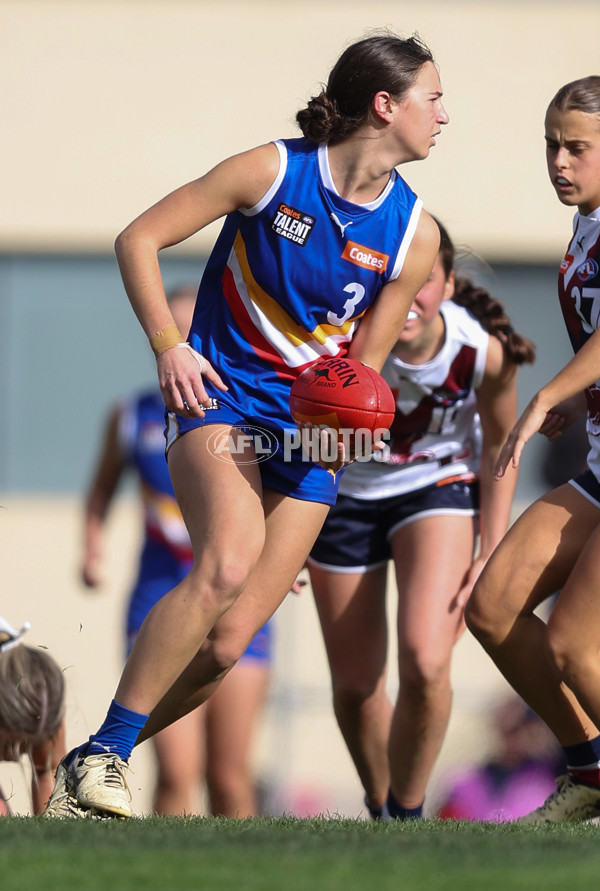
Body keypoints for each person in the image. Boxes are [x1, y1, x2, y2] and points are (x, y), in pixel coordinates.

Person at [44, 31, 449, 819]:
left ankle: (95, 758)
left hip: (307, 437)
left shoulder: (413, 232)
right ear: (385, 105)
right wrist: (170, 347)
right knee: (227, 561)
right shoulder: (272, 170)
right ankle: (104, 759)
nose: (445, 115)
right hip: (219, 403)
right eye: (433, 98)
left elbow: (360, 375)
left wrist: (343, 446)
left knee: (226, 647)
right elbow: (138, 239)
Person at [308, 220, 535, 820]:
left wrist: (490, 546)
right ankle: (382, 806)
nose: (406, 295)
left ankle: (408, 815)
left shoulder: (481, 352)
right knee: (356, 689)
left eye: (422, 281)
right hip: (344, 496)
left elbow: (498, 447)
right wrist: (282, 533)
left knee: (427, 658)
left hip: (435, 490)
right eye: (390, 281)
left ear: (449, 285)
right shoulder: (336, 344)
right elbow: (297, 437)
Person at [80, 284, 273, 817]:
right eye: (173, 331)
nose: (186, 344)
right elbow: (99, 490)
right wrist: (91, 548)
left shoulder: (251, 412)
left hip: (239, 597)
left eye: (198, 331)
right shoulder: (131, 414)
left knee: (230, 775)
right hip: (159, 596)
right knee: (178, 770)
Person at [465, 75, 600, 824]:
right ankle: (591, 767)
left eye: (576, 146)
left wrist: (551, 392)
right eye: (551, 143)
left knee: (577, 645)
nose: (558, 160)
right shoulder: (585, 228)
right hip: (599, 465)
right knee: (493, 606)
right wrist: (578, 395)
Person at [435, 695, 565, 822]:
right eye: (513, 730)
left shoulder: (550, 777)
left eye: (523, 727)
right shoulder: (463, 782)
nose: (519, 738)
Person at [0, 616, 66, 816]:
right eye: (7, 744)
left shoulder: (40, 700)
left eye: (26, 746)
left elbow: (48, 769)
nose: (13, 756)